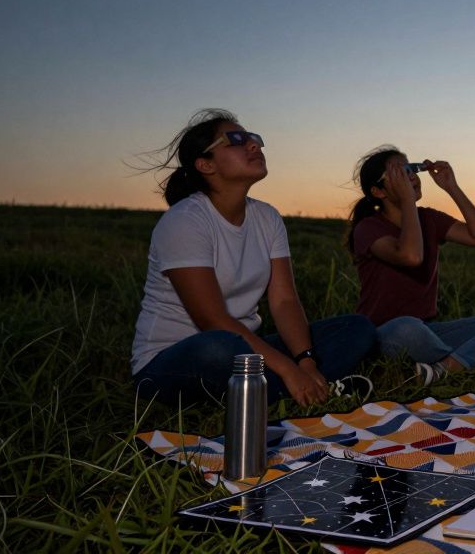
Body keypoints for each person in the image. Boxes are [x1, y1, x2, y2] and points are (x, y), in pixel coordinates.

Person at [131, 109, 377, 407]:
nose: (253, 146)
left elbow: (284, 301)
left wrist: (306, 361)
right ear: (205, 164)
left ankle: (299, 385)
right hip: (173, 360)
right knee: (220, 349)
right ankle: (305, 389)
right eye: (235, 139)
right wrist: (288, 368)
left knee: (356, 328)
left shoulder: (267, 217)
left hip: (246, 350)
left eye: (253, 139)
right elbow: (211, 319)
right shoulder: (185, 221)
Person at [347, 146, 475, 384]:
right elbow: (411, 256)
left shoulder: (429, 218)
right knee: (407, 328)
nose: (411, 176)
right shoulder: (368, 228)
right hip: (385, 333)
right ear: (378, 191)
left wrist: (452, 187)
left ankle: (442, 369)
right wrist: (409, 199)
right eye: (400, 173)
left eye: (411, 169)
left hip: (429, 331)